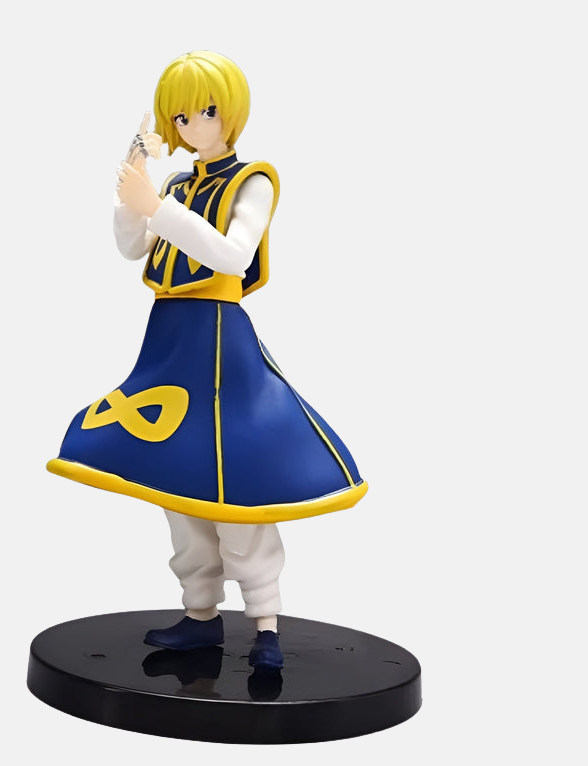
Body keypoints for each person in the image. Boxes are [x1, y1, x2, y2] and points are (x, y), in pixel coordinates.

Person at [47, 51, 367, 669]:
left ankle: (265, 623)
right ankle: (199, 615)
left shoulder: (253, 181)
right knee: (178, 478)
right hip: (169, 340)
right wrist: (135, 186)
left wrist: (155, 204)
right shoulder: (175, 185)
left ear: (232, 112)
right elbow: (131, 246)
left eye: (208, 111)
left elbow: (231, 255)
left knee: (237, 480)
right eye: (182, 116)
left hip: (219, 342)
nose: (196, 124)